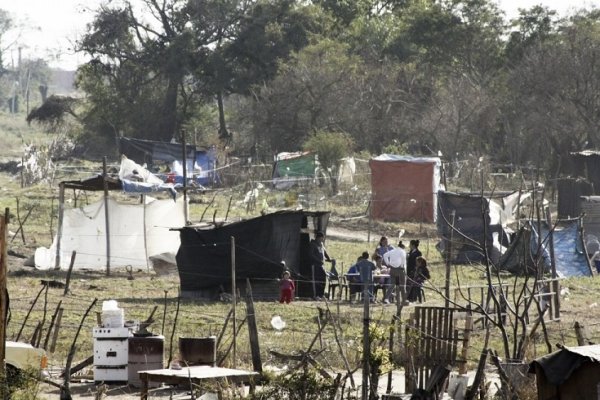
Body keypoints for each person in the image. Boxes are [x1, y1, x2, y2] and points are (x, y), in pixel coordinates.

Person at [309, 231, 333, 300]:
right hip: (315, 265)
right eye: (321, 238)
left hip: (321, 266)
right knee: (315, 280)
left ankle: (321, 294)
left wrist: (329, 259)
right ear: (318, 238)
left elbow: (324, 252)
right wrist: (318, 260)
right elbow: (311, 255)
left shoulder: (321, 244)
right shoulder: (313, 244)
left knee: (323, 279)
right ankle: (315, 295)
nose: (322, 239)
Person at [383, 240, 408, 305]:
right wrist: (402, 267)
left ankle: (386, 298)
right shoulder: (402, 251)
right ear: (403, 246)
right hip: (400, 269)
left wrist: (388, 263)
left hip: (392, 269)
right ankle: (403, 300)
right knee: (402, 285)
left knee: (392, 284)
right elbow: (403, 259)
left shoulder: (393, 251)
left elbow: (385, 255)